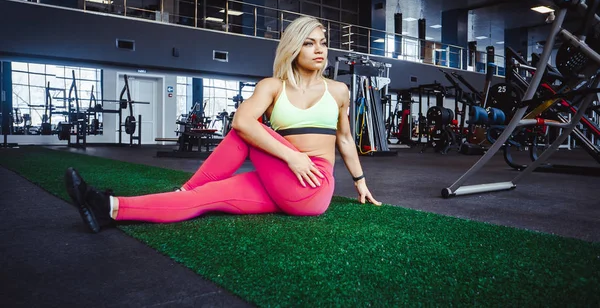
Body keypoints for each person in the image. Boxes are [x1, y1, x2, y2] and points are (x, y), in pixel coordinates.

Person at [65, 16, 381, 233]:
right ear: (294, 48)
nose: (320, 50)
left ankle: (185, 187)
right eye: (310, 43)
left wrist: (360, 183)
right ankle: (109, 208)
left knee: (245, 131)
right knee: (202, 198)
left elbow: (344, 139)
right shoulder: (272, 87)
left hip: (313, 186)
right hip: (281, 180)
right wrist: (291, 156)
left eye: (322, 43)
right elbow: (241, 120)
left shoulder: (338, 91)